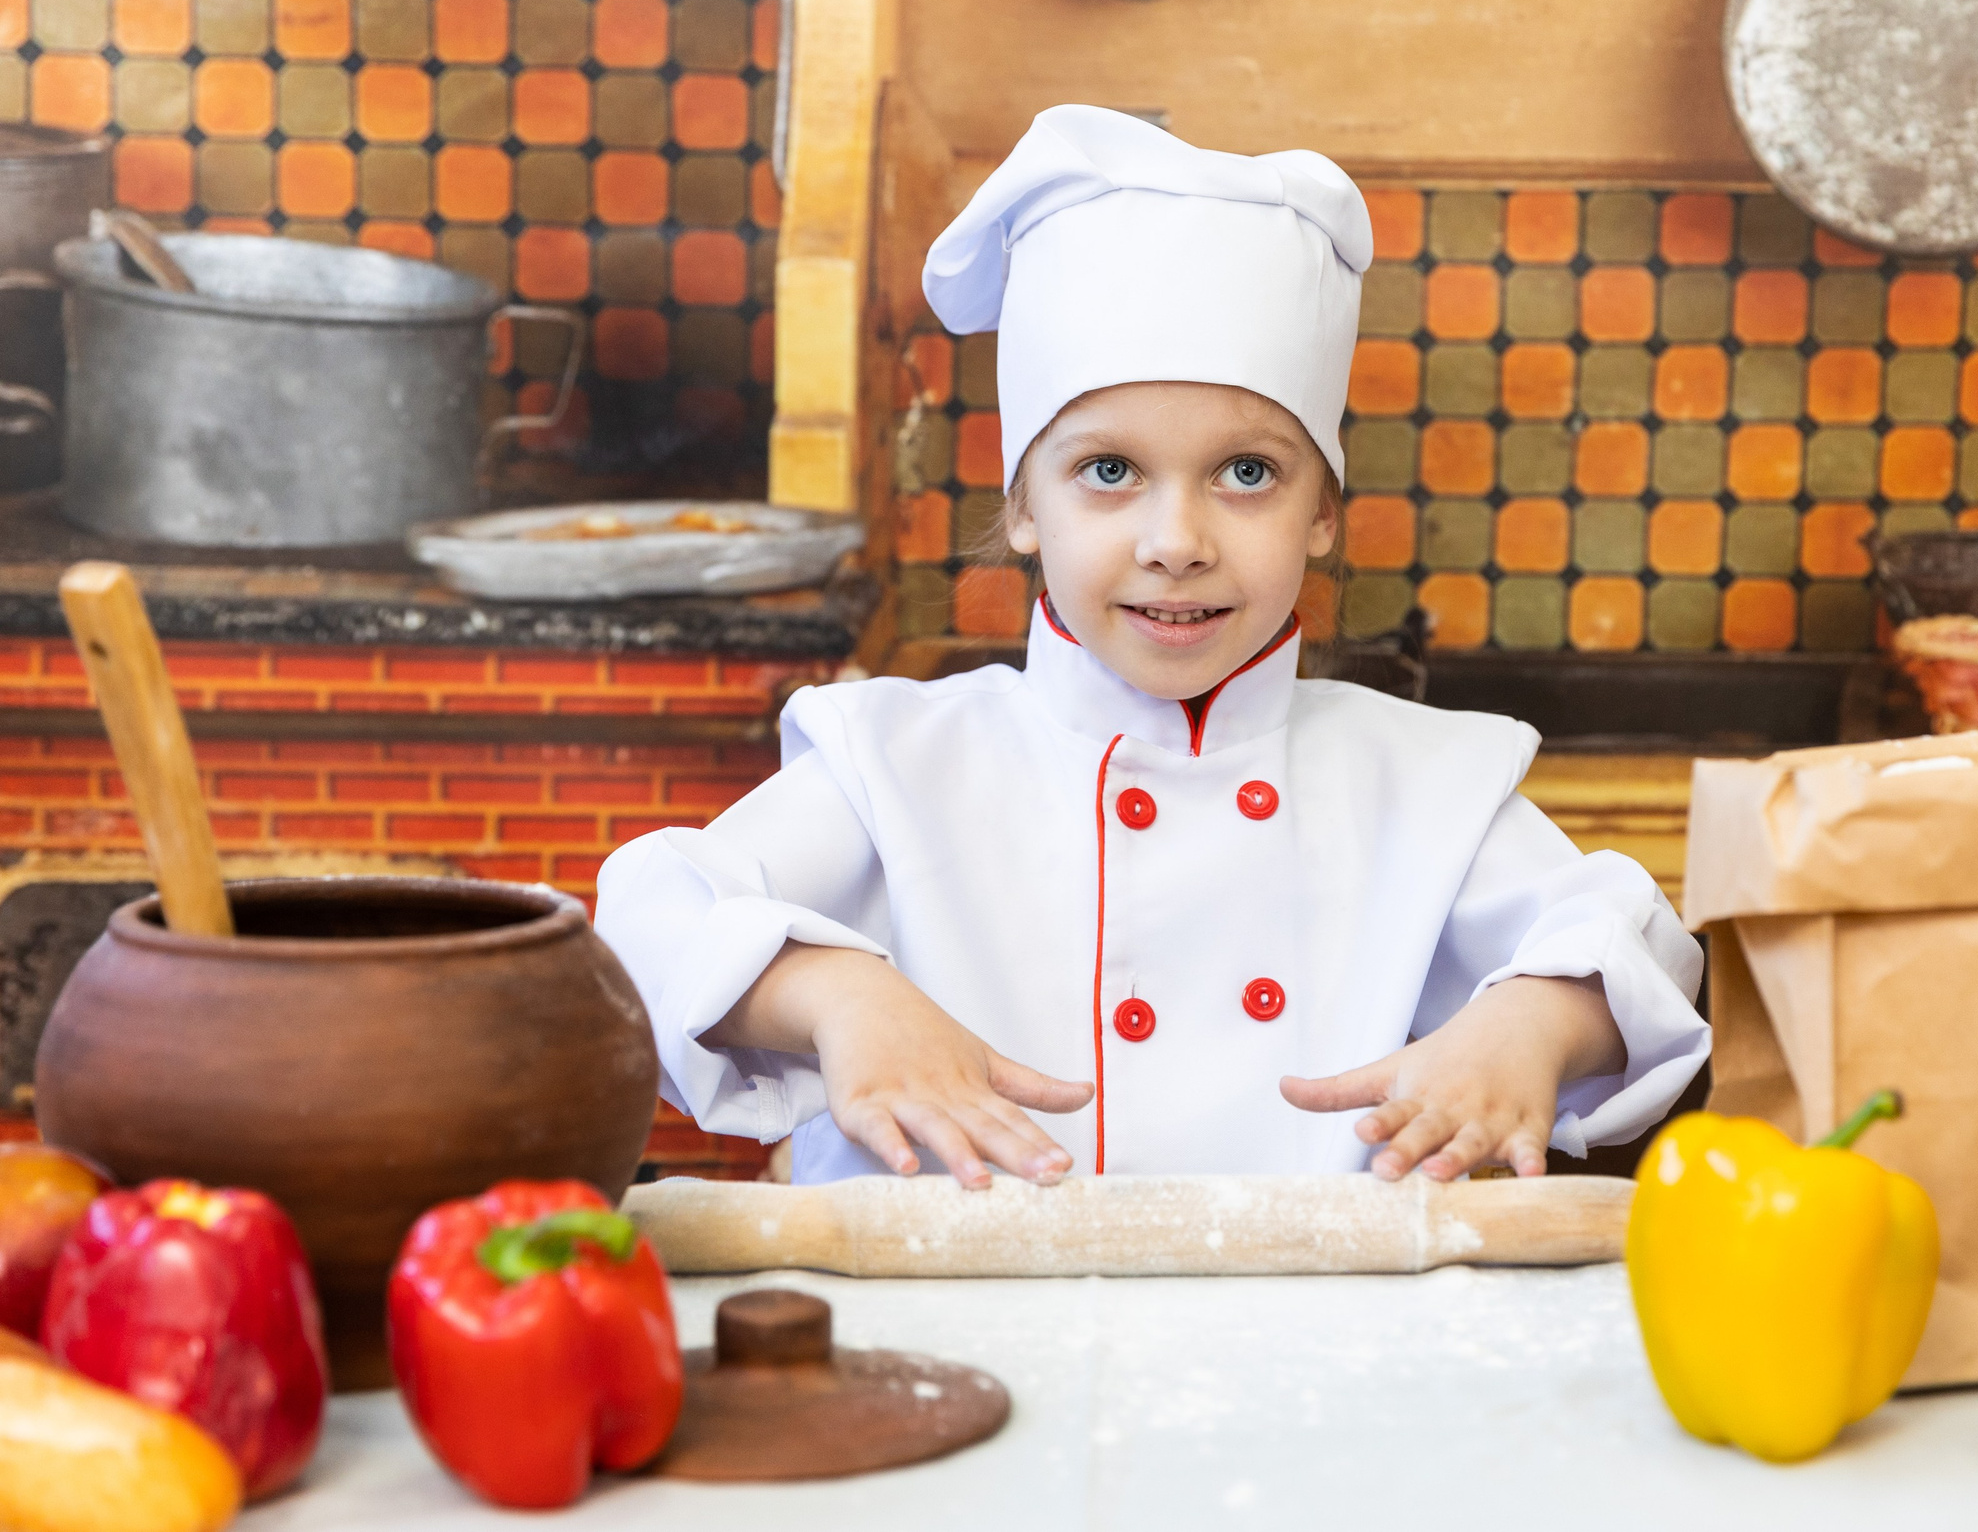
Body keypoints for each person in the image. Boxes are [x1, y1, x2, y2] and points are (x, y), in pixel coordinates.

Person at [596, 106, 1708, 1188]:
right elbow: (650, 918)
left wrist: (1528, 1028)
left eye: (1248, 473)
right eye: (1110, 472)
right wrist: (842, 1001)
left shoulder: (1422, 782)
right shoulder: (898, 760)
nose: (1176, 543)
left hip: (1322, 1351)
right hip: (957, 1345)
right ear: (1025, 505)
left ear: (1323, 512)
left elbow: (1637, 949)